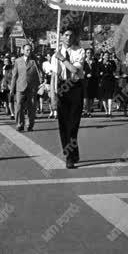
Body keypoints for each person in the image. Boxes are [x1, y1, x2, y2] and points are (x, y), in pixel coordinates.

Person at [52, 29, 85, 169]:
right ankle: (71, 153)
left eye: (71, 35)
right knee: (63, 126)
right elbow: (54, 75)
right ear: (61, 37)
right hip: (62, 87)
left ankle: (70, 157)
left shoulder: (80, 51)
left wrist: (63, 59)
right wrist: (53, 96)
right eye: (66, 35)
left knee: (73, 125)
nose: (68, 37)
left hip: (75, 87)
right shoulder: (56, 54)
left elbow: (74, 70)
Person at [11, 44, 41, 132]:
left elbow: (39, 74)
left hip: (31, 88)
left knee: (31, 107)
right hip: (20, 87)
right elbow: (14, 76)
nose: (29, 51)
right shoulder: (17, 61)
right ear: (23, 51)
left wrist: (39, 84)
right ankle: (20, 124)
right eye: (27, 50)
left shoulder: (34, 61)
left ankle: (30, 125)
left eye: (30, 50)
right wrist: (12, 89)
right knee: (19, 107)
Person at [99, 51, 117, 117]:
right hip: (103, 81)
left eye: (108, 55)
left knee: (110, 96)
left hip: (110, 80)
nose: (106, 56)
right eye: (105, 55)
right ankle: (106, 111)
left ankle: (110, 111)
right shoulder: (100, 63)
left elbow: (114, 69)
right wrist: (100, 73)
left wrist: (109, 64)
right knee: (103, 97)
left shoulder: (112, 62)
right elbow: (98, 71)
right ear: (103, 56)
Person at [82, 48, 98, 117]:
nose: (89, 54)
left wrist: (93, 74)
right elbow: (80, 71)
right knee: (85, 97)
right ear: (85, 54)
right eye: (88, 53)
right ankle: (85, 110)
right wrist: (86, 74)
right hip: (85, 82)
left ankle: (89, 111)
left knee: (91, 98)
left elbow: (97, 71)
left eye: (90, 52)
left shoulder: (95, 62)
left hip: (93, 82)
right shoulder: (83, 62)